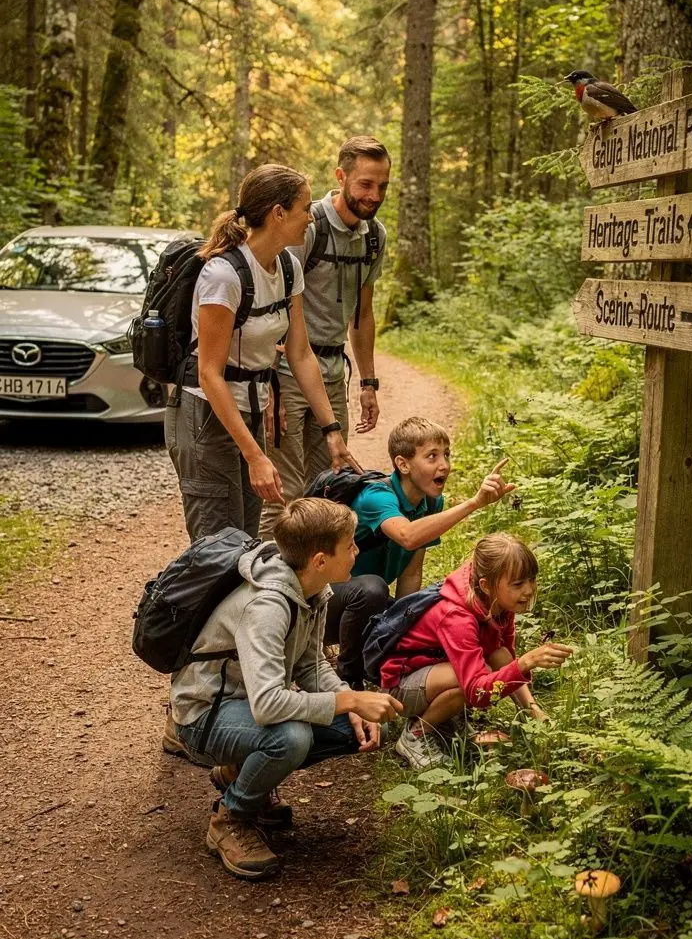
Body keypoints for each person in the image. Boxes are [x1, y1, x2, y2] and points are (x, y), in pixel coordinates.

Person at [169, 497, 403, 880]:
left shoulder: (314, 590)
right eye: (349, 546)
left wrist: (353, 706)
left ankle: (241, 772)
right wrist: (348, 698)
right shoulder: (267, 607)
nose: (357, 551)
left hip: (245, 704)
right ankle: (232, 818)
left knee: (353, 728)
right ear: (319, 560)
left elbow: (310, 667)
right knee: (290, 737)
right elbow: (267, 706)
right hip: (204, 713)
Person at [165, 163, 361, 545]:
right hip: (206, 415)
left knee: (245, 540)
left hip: (249, 413)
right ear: (278, 213)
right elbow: (209, 374)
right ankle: (173, 605)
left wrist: (332, 431)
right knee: (216, 546)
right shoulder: (224, 276)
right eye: (305, 208)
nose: (310, 218)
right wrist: (256, 456)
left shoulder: (288, 267)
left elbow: (301, 355)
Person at [324, 415, 517, 689]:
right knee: (373, 588)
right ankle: (349, 679)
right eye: (432, 457)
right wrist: (474, 503)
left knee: (431, 614)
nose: (444, 465)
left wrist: (401, 630)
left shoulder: (430, 503)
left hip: (363, 607)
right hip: (323, 605)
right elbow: (408, 536)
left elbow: (411, 572)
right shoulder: (375, 497)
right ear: (402, 464)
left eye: (446, 455)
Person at [262, 136, 391, 528]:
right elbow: (272, 303)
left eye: (382, 186)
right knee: (284, 497)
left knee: (331, 491)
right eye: (366, 184)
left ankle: (317, 586)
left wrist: (368, 383)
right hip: (287, 372)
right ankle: (270, 587)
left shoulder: (373, 237)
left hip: (333, 375)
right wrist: (270, 386)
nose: (374, 195)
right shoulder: (308, 227)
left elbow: (363, 316)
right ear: (341, 176)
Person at [379, 532, 574, 770]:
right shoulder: (457, 617)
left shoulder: (499, 602)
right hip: (400, 688)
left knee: (500, 655)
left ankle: (448, 721)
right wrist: (525, 663)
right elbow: (476, 692)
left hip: (432, 674)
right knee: (466, 682)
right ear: (486, 585)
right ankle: (415, 735)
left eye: (531, 580)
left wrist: (534, 711)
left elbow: (506, 663)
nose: (529, 590)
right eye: (518, 584)